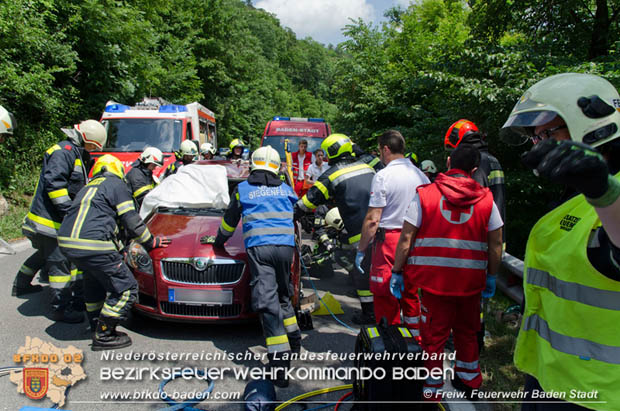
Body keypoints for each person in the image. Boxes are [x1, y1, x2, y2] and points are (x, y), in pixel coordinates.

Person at [500, 73, 620, 410]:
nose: (540, 146)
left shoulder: (608, 194)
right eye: (536, 138)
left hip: (599, 395)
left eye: (548, 133)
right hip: (551, 377)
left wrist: (605, 193)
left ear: (590, 125)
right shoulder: (574, 197)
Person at [390, 143, 503, 400]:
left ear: (449, 162)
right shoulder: (487, 199)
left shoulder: (425, 194)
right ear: (474, 170)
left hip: (433, 283)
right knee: (467, 332)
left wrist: (397, 271)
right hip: (471, 283)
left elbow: (406, 237)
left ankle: (432, 388)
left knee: (434, 335)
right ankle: (470, 381)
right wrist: (492, 276)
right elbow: (496, 242)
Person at [58, 155, 171, 350]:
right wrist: (151, 241)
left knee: (93, 281)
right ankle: (104, 334)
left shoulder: (89, 186)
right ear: (118, 170)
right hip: (94, 245)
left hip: (67, 243)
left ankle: (94, 323)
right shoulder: (116, 185)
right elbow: (131, 220)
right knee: (127, 289)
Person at [213, 146, 300, 388]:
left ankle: (280, 369)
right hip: (285, 249)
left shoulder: (242, 190)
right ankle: (295, 341)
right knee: (284, 296)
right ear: (275, 166)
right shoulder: (286, 189)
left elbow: (229, 224)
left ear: (253, 164)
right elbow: (295, 213)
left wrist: (218, 242)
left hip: (260, 250)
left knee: (268, 304)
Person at [13, 120, 107, 324]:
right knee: (60, 264)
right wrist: (70, 213)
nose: (92, 151)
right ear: (87, 140)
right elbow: (55, 186)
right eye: (93, 147)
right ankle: (60, 309)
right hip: (49, 221)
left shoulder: (74, 152)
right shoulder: (63, 152)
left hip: (50, 220)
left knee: (44, 255)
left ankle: (21, 285)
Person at [296, 134, 376, 324]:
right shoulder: (369, 168)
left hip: (359, 233)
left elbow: (308, 202)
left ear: (332, 152)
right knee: (380, 272)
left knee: (362, 275)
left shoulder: (332, 174)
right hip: (382, 228)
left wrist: (292, 211)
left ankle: (369, 315)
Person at [357, 130, 429, 336]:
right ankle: (415, 341)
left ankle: (390, 340)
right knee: (411, 293)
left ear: (386, 149)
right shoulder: (420, 175)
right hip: (416, 240)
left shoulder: (383, 176)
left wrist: (362, 249)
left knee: (384, 292)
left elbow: (373, 219)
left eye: (380, 150)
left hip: (390, 241)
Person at [444, 119, 506, 242]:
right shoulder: (492, 159)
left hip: (479, 236)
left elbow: (470, 199)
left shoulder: (475, 161)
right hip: (496, 232)